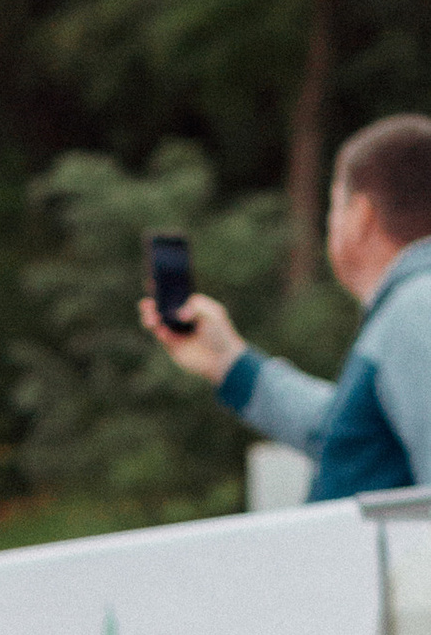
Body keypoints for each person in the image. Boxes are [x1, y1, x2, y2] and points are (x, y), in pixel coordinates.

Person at [142, 112, 431, 495]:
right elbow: (346, 437)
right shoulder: (411, 307)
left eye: (333, 206)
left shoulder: (416, 307)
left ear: (361, 215)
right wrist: (228, 361)